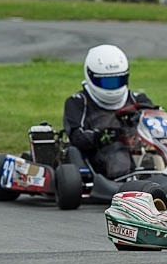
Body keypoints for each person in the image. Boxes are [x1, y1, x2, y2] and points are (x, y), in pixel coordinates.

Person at [63, 44, 157, 179]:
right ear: (90, 76)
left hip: (139, 147)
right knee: (119, 156)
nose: (113, 87)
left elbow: (154, 123)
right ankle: (128, 181)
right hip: (102, 152)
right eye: (106, 82)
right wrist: (106, 135)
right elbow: (77, 137)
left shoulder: (138, 99)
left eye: (117, 80)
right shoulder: (78, 102)